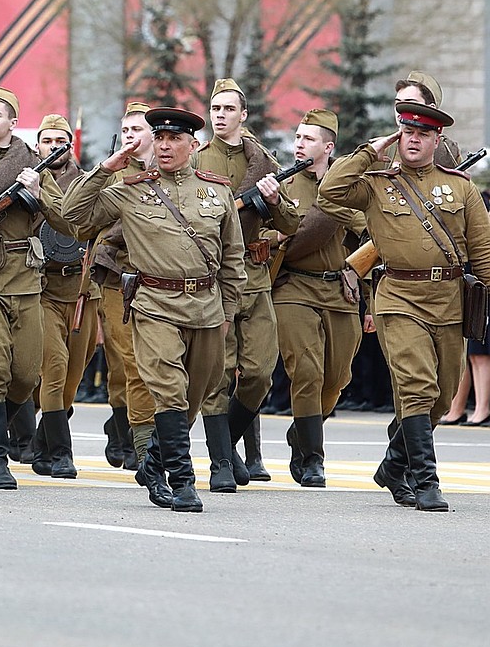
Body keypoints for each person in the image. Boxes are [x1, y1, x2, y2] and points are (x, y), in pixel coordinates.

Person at [64, 107, 246, 512]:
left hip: (207, 307)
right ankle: (182, 481)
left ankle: (152, 464)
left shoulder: (217, 191)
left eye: (175, 139)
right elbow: (73, 217)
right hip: (154, 303)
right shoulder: (131, 188)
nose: (165, 146)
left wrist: (228, 312)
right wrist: (106, 167)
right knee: (170, 391)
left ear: (192, 145)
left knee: (195, 395)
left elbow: (233, 258)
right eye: (160, 138)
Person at [319, 101, 490, 511]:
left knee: (444, 397)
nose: (414, 139)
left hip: (450, 301)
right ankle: (426, 480)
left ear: (436, 140)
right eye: (407, 132)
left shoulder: (461, 187)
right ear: (398, 134)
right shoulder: (377, 183)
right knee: (417, 387)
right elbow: (329, 191)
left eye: (423, 134)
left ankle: (394, 465)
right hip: (398, 298)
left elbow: (482, 250)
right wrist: (367, 151)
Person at [0, 86, 72, 490]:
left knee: (26, 375)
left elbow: (68, 223)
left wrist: (40, 195)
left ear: (13, 123)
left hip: (26, 277)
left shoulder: (35, 166)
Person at [194, 79, 300, 491]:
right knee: (218, 374)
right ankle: (222, 462)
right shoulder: (197, 160)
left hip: (254, 277)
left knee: (258, 372)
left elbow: (291, 224)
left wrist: (273, 200)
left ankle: (228, 445)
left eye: (227, 109)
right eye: (215, 108)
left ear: (243, 115)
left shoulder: (266, 163)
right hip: (215, 277)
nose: (219, 115)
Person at [270, 110, 364, 487]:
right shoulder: (283, 185)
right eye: (296, 138)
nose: (298, 145)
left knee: (338, 377)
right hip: (293, 287)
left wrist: (358, 271)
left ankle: (303, 431)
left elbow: (375, 233)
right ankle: (312, 457)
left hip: (339, 289)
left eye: (307, 139)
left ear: (328, 147)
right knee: (306, 372)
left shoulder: (347, 187)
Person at [90, 102, 158, 470]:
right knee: (129, 363)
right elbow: (84, 223)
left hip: (161, 281)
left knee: (141, 365)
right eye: (126, 130)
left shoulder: (173, 171)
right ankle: (140, 442)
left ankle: (123, 429)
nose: (131, 136)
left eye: (138, 130)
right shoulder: (115, 174)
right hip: (120, 280)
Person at [31, 113, 95, 479]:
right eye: (47, 140)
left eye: (61, 140)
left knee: (73, 377)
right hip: (43, 289)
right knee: (52, 369)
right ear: (37, 145)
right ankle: (60, 453)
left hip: (84, 290)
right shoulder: (25, 180)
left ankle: (41, 445)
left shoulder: (87, 185)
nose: (54, 147)